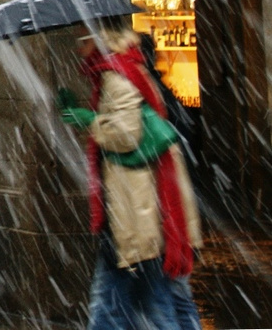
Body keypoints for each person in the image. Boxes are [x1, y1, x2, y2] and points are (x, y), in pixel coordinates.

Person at [59, 18, 202, 330]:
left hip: (137, 210)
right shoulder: (125, 68)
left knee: (135, 302)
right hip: (142, 208)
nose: (79, 49)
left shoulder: (114, 75)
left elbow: (125, 134)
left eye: (83, 41)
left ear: (100, 40)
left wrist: (89, 121)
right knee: (160, 298)